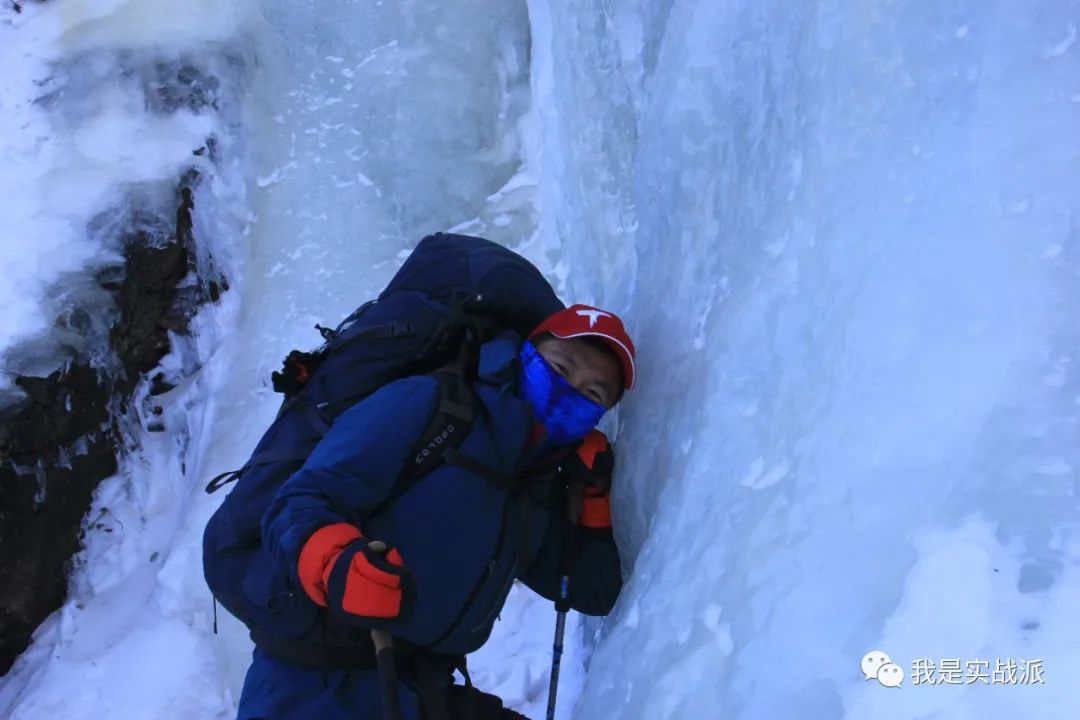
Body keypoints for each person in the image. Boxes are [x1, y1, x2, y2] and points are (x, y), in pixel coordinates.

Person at [234, 303, 637, 720]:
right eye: (559, 366)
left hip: (423, 690)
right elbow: (295, 503)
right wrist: (335, 562)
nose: (567, 389)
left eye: (592, 393)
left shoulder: (533, 485)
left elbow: (590, 590)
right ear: (524, 356)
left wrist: (591, 497)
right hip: (318, 680)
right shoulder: (429, 407)